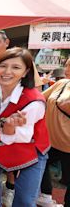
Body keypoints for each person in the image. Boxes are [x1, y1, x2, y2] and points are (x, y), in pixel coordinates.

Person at [0, 30, 45, 205]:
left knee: (24, 200)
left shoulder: (34, 101)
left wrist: (8, 129)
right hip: (0, 146)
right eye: (3, 66)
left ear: (25, 72)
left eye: (16, 67)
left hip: (30, 150)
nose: (7, 72)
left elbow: (23, 137)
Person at [38, 57, 70, 207]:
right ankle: (45, 195)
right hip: (50, 140)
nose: (68, 69)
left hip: (68, 146)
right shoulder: (61, 83)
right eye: (67, 65)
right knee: (37, 163)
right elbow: (39, 99)